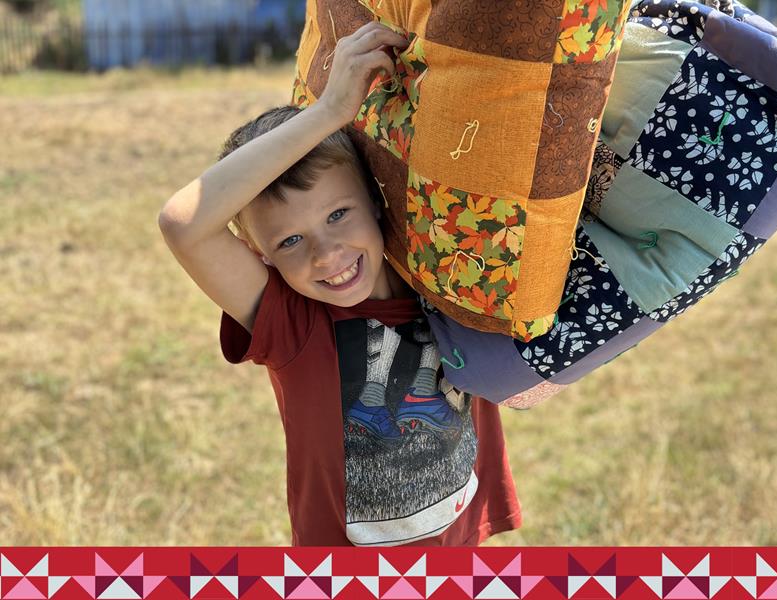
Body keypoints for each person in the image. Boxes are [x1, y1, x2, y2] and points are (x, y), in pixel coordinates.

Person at [157, 22, 520, 546]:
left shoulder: (437, 270)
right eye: (289, 242)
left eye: (337, 214)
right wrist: (328, 113)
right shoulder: (290, 321)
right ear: (259, 253)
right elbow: (182, 224)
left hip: (457, 540)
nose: (326, 255)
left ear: (375, 198)